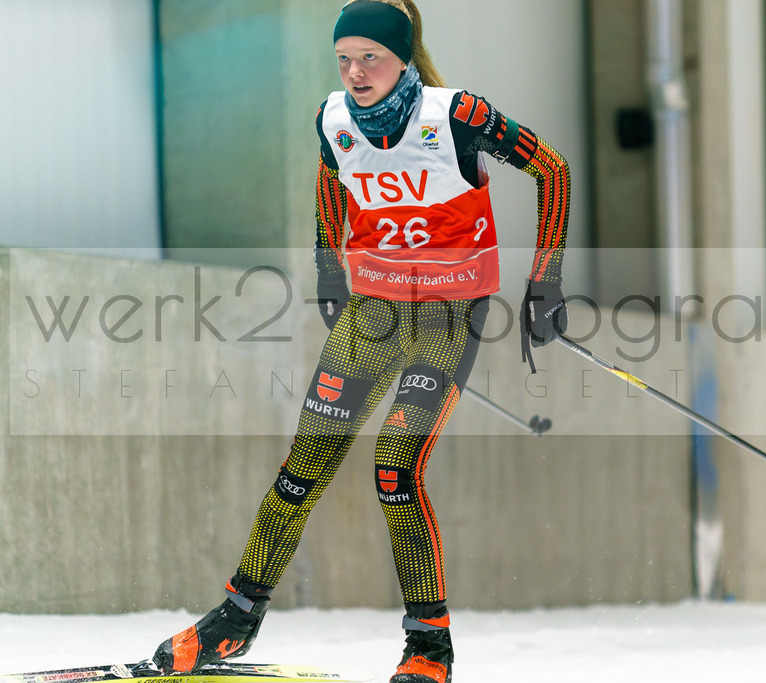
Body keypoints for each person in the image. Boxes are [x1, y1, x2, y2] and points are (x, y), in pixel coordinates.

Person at [151, 1, 570, 682]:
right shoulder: (333, 118)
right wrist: (328, 260)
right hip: (373, 313)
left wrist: (545, 279)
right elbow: (329, 176)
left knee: (394, 469)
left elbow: (550, 169)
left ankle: (428, 647)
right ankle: (235, 618)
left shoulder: (455, 114)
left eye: (369, 56)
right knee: (301, 470)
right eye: (343, 57)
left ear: (403, 56)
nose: (354, 71)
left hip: (446, 314)